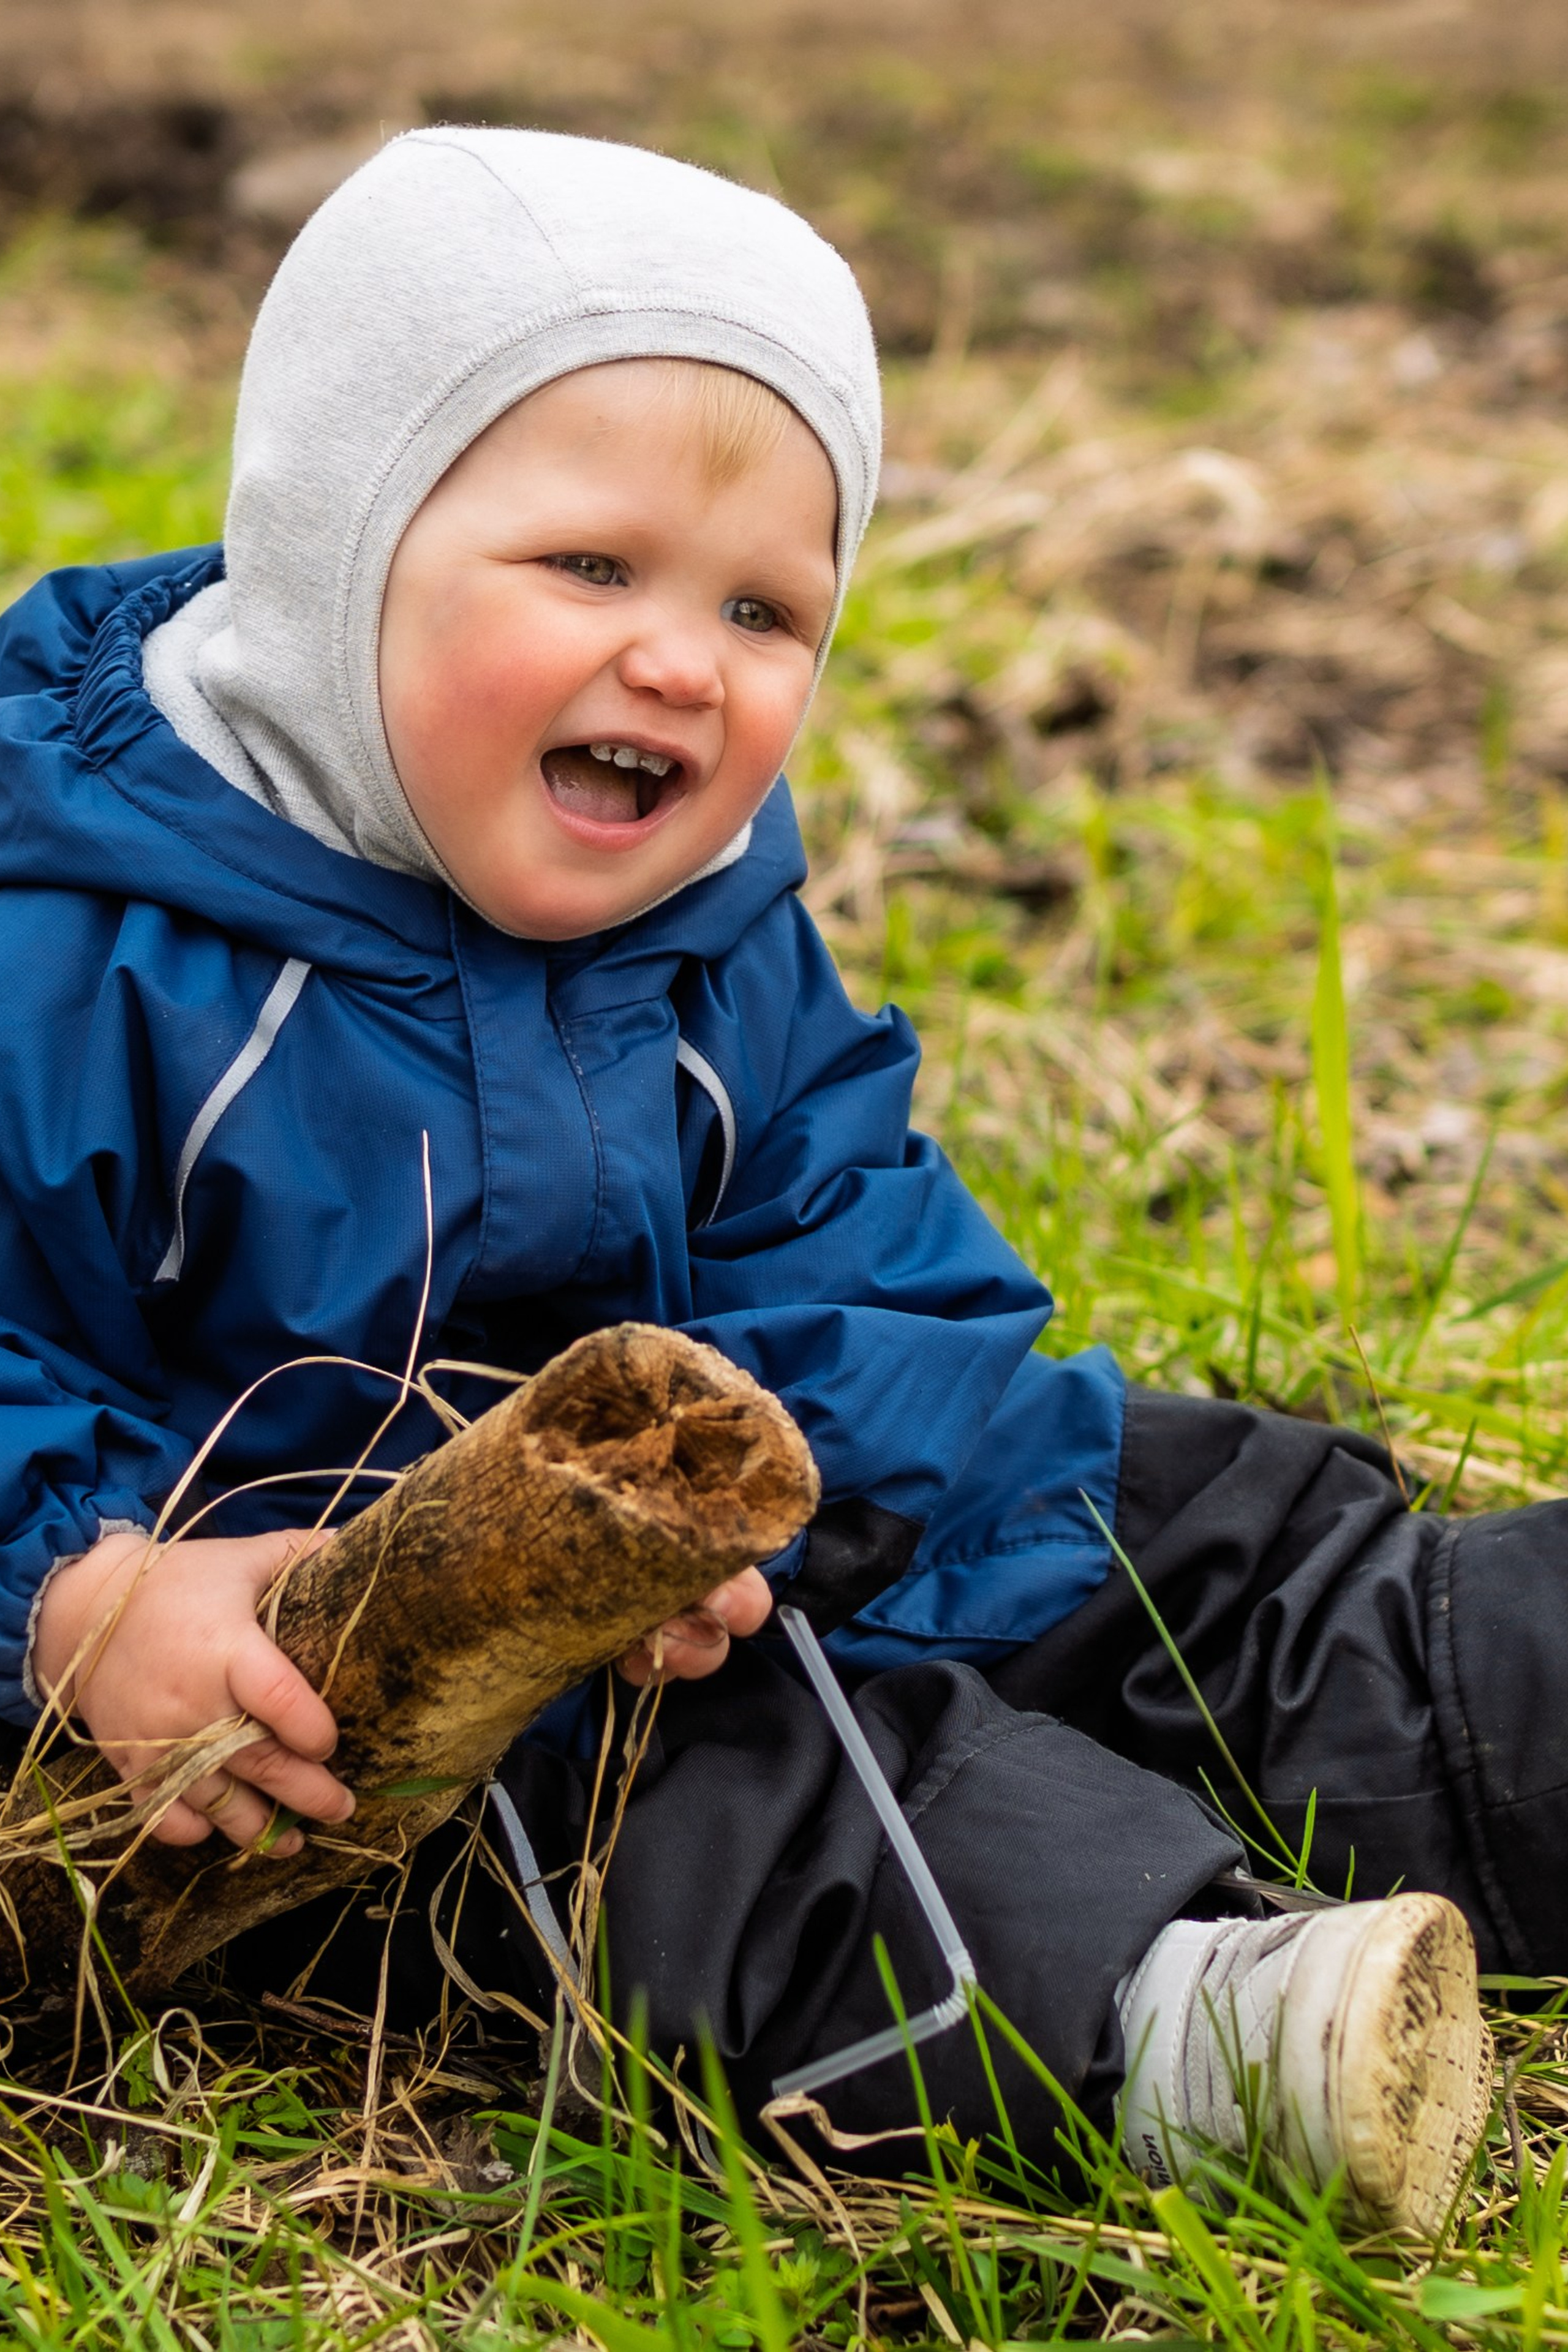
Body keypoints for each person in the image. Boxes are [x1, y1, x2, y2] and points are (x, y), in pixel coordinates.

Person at [0, 125, 1551, 2231]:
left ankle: (1496, 1702)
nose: (685, 662)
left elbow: (861, 1240)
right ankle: (1171, 2024)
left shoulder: (711, 916)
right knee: (721, 1831)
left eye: (764, 607)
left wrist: (796, 1477)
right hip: (341, 1689)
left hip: (711, 1561)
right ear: (337, 545)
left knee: (1160, 1513)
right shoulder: (77, 945)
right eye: (593, 570)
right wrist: (76, 1590)